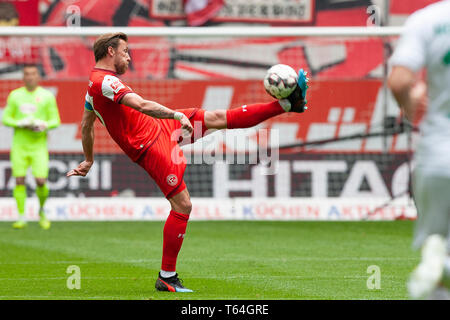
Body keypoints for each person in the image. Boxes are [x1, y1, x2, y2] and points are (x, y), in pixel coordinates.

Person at [67, 32, 309, 292]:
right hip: (149, 145)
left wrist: (89, 159)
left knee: (217, 118)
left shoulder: (95, 86)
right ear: (110, 52)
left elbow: (86, 124)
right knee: (183, 205)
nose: (129, 56)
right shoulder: (104, 82)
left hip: (160, 127)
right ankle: (166, 277)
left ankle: (285, 105)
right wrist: (173, 114)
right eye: (125, 51)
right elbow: (140, 104)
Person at [388, 0, 450, 300]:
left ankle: (439, 263)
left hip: (437, 156)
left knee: (435, 275)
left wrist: (410, 104)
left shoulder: (427, 20)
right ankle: (444, 265)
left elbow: (399, 80)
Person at [1, 64, 61, 230]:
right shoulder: (15, 96)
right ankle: (21, 217)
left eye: (33, 74)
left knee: (40, 181)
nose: (30, 77)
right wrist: (19, 122)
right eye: (27, 74)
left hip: (38, 146)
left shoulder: (47, 96)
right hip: (19, 146)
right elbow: (6, 118)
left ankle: (41, 211)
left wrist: (44, 124)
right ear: (23, 77)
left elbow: (55, 120)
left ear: (38, 76)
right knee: (19, 179)